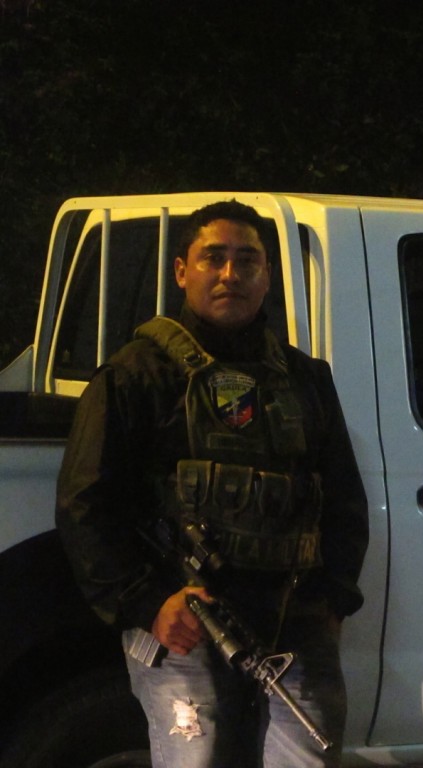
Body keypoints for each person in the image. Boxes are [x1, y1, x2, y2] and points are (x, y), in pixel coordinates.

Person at [56, 200, 368, 768]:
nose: (231, 274)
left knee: (308, 758)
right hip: (184, 623)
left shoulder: (305, 379)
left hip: (293, 619)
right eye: (213, 258)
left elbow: (343, 499)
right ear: (182, 271)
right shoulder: (137, 374)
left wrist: (333, 600)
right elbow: (86, 506)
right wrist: (149, 604)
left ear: (267, 276)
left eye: (247, 261)